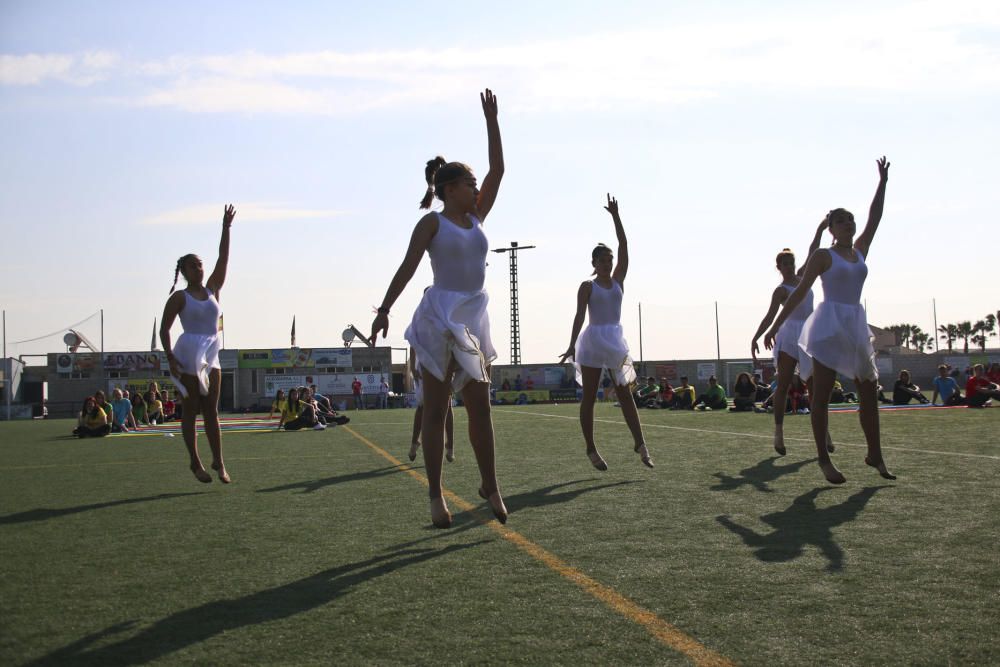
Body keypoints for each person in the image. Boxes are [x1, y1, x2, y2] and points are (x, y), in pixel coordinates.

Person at [369, 88, 507, 528]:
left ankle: (491, 485)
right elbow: (408, 267)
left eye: (474, 183)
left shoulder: (478, 217)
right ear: (449, 190)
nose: (475, 187)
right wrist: (385, 308)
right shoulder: (433, 221)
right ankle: (435, 495)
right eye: (468, 182)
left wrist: (492, 121)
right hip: (438, 315)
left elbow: (499, 170)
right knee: (434, 407)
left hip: (471, 317)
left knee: (480, 406)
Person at [765, 157, 895, 484]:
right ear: (832, 229)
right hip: (827, 325)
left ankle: (874, 453)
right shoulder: (824, 255)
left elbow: (875, 218)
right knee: (819, 395)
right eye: (841, 221)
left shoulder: (860, 250)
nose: (849, 224)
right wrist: (776, 325)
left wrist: (882, 182)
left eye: (851, 219)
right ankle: (824, 459)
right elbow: (798, 293)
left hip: (854, 324)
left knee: (868, 391)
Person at [559, 194, 654, 471]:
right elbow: (579, 316)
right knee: (589, 397)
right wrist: (571, 345)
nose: (607, 264)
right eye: (602, 260)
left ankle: (641, 444)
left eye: (609, 260)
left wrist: (615, 216)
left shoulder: (617, 282)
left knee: (626, 394)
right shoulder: (587, 286)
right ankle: (590, 448)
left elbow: (624, 244)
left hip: (615, 342)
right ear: (593, 262)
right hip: (592, 342)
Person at [159, 204, 235, 484]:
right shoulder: (180, 297)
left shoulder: (213, 289)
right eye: (193, 265)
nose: (199, 268)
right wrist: (169, 357)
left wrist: (226, 229)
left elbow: (223, 258)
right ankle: (195, 461)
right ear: (184, 271)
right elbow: (164, 329)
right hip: (188, 352)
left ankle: (220, 461)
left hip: (211, 352)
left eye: (200, 264)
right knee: (191, 409)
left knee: (211, 410)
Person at [750, 220, 830, 455]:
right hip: (788, 335)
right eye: (784, 264)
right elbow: (769, 316)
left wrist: (820, 229)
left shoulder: (804, 276)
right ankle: (778, 433)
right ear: (778, 267)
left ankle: (824, 433)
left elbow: (814, 250)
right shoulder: (781, 290)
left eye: (791, 262)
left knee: (816, 387)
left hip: (810, 332)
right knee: (783, 384)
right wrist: (756, 336)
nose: (789, 266)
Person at [408, 346, 455, 463]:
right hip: (425, 365)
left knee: (447, 404)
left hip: (444, 363)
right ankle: (414, 442)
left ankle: (450, 444)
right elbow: (413, 342)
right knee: (422, 405)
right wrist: (413, 368)